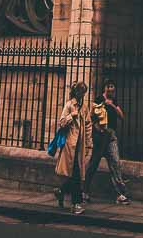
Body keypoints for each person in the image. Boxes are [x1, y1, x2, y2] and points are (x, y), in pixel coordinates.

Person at [84, 78, 129, 204]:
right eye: (109, 86)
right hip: (101, 136)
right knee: (93, 164)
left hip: (111, 136)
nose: (111, 89)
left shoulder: (114, 101)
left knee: (115, 162)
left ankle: (120, 194)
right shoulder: (99, 100)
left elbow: (122, 116)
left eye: (113, 86)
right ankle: (84, 191)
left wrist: (112, 105)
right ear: (104, 88)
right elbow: (92, 117)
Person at [53, 80, 92, 215]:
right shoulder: (69, 105)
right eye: (81, 92)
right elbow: (62, 122)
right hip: (70, 145)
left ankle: (61, 191)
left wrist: (88, 143)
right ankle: (75, 204)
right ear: (77, 92)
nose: (83, 95)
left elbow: (88, 125)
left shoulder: (85, 107)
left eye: (84, 93)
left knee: (75, 174)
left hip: (79, 146)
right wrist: (71, 116)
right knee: (75, 174)